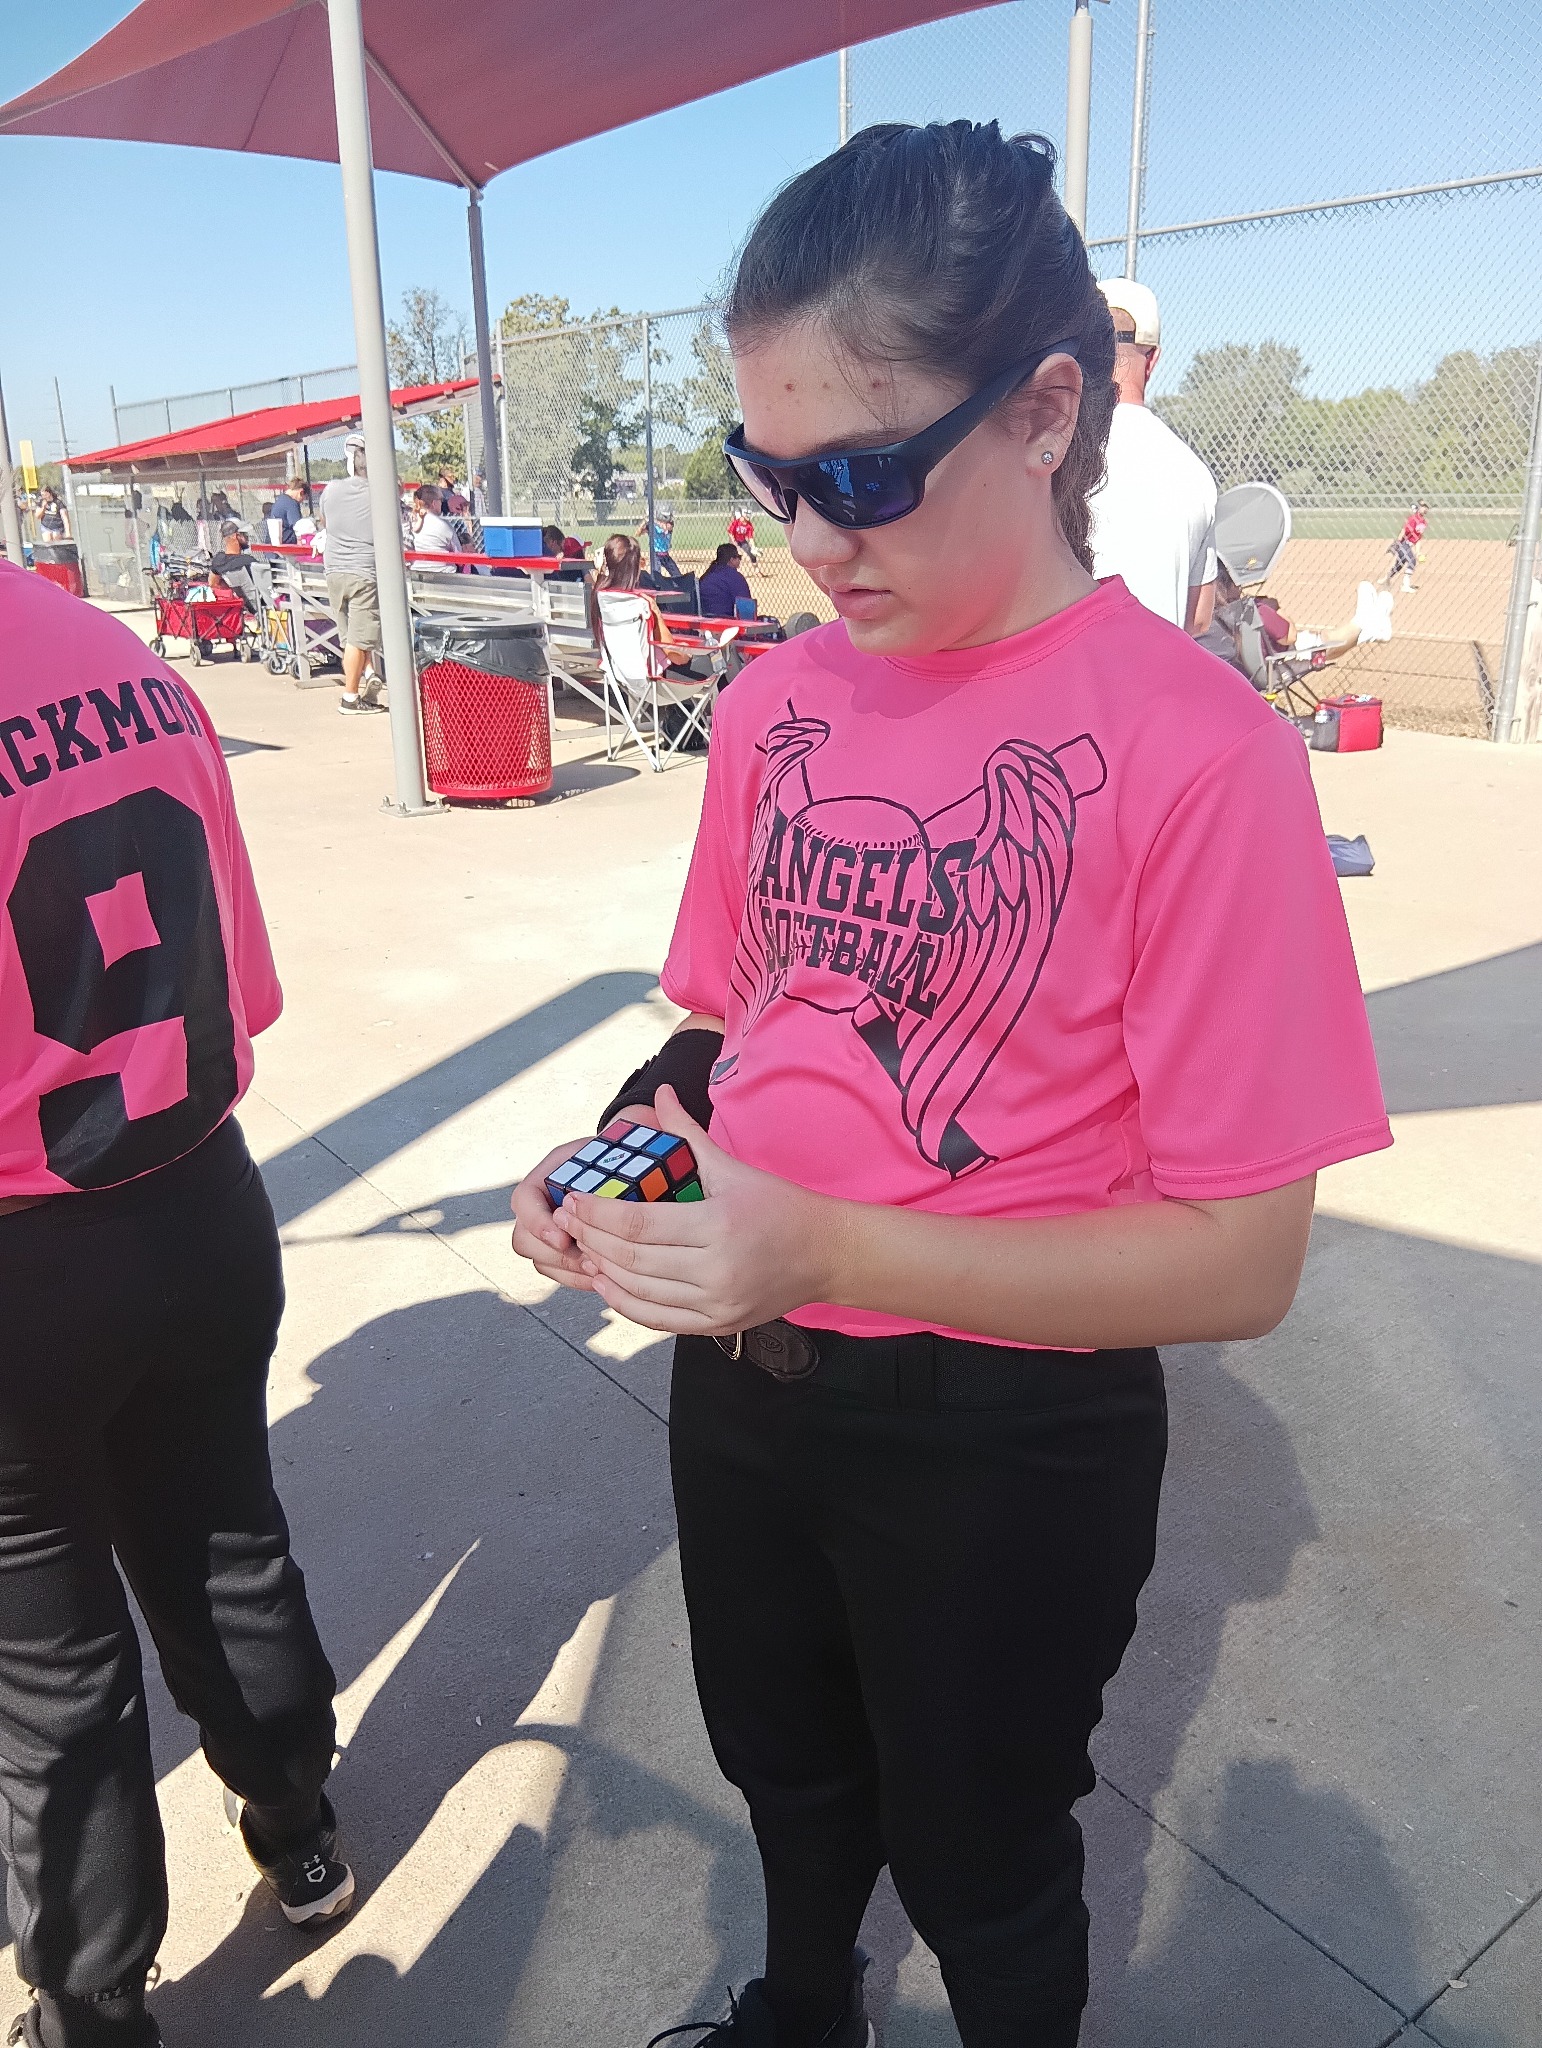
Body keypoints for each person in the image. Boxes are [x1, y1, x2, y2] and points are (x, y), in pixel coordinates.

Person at [512, 120, 1391, 2048]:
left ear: (1042, 410)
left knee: (984, 1844)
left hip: (1002, 1429)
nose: (811, 540)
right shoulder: (777, 699)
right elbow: (735, 1031)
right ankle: (799, 2007)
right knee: (785, 1763)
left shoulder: (1197, 752)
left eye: (860, 475)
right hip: (745, 1373)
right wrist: (616, 1160)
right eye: (768, 475)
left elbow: (1241, 1256)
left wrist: (829, 1242)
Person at [0, 563, 356, 2048]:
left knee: (50, 1661)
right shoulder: (122, 658)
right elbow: (243, 988)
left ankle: (93, 1998)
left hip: (25, 1250)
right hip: (201, 1191)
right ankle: (298, 1826)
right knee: (224, 1537)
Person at [1087, 278, 1218, 634]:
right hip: (1156, 667)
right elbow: (1199, 618)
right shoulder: (1193, 474)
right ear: (1153, 359)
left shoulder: (1049, 453)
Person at [316, 435, 386, 715]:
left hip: (334, 569)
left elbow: (325, 522)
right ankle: (350, 698)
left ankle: (368, 673)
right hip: (363, 571)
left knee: (350, 636)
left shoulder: (331, 489)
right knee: (360, 638)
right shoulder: (380, 494)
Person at [210, 520, 261, 612]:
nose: (247, 538)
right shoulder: (247, 561)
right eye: (244, 534)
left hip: (237, 609)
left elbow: (213, 583)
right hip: (258, 608)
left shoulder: (218, 561)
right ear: (235, 536)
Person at [408, 484, 463, 571]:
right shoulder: (444, 525)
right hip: (443, 572)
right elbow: (459, 557)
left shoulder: (412, 523)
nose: (442, 503)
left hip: (417, 571)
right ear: (434, 503)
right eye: (441, 500)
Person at [699, 541, 753, 618]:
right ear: (731, 560)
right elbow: (746, 608)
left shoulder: (707, 575)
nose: (739, 560)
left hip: (703, 620)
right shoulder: (735, 577)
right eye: (738, 557)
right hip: (725, 621)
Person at [1384, 500, 1428, 592]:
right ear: (1417, 508)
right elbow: (1404, 530)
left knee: (1399, 565)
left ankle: (1387, 578)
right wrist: (1397, 543)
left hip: (1408, 545)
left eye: (1426, 506)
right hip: (1403, 544)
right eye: (1423, 506)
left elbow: (1418, 538)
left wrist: (1418, 552)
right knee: (1412, 561)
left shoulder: (1423, 522)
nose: (1425, 508)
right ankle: (1405, 586)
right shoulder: (1413, 519)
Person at [637, 508, 683, 579]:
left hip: (665, 555)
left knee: (677, 575)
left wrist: (653, 520)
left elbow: (666, 528)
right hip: (656, 555)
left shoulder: (668, 524)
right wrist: (645, 521)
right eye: (666, 517)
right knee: (657, 576)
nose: (669, 519)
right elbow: (638, 533)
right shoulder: (651, 526)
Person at [269, 479, 306, 546]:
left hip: (274, 544)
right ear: (301, 492)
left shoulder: (280, 500)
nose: (301, 502)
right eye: (303, 499)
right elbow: (298, 526)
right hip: (286, 545)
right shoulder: (291, 503)